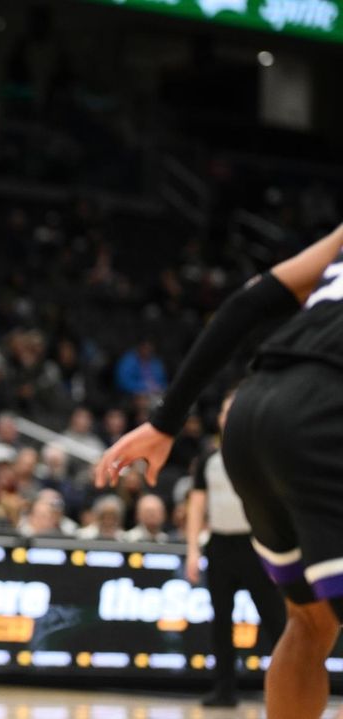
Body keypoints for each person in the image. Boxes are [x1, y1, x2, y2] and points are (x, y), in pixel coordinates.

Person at [98, 223, 343, 719]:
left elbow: (246, 305)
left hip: (254, 408)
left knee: (310, 622)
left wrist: (165, 422)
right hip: (326, 408)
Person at [184, 392, 285, 707]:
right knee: (221, 622)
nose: (231, 416)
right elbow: (197, 505)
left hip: (257, 545)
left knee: (275, 621)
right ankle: (225, 690)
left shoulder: (264, 454)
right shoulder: (208, 459)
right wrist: (192, 549)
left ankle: (286, 685)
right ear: (220, 418)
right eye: (227, 411)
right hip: (220, 546)